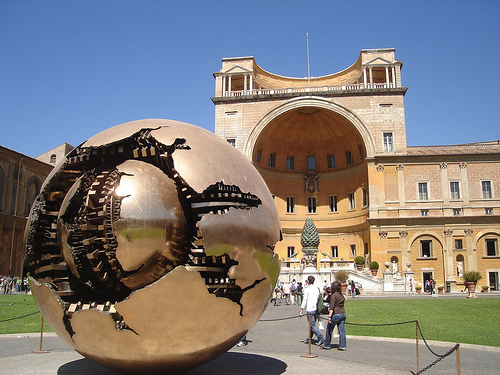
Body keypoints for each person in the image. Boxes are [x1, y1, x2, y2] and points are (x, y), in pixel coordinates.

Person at [299, 276, 325, 346]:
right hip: (315, 308)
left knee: (312, 325)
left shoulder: (307, 289)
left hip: (310, 309)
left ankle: (321, 337)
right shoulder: (317, 289)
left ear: (308, 281)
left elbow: (305, 300)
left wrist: (301, 309)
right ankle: (309, 339)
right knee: (312, 325)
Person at [321, 281, 346, 351]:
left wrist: (329, 316)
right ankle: (343, 346)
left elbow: (332, 307)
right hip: (343, 313)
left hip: (336, 314)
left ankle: (327, 344)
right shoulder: (341, 295)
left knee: (329, 329)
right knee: (342, 331)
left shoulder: (333, 296)